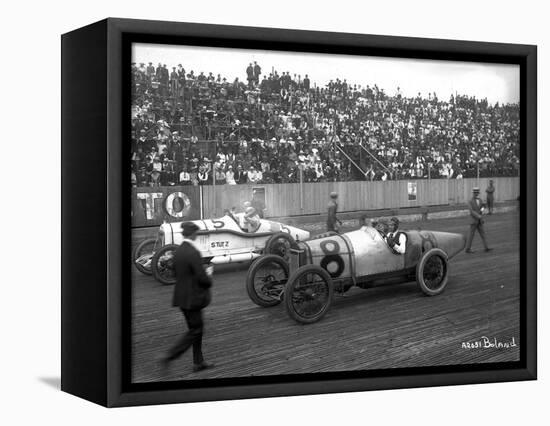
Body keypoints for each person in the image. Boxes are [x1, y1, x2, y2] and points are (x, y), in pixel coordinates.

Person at [162, 222, 214, 372]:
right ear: (192, 234)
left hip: (181, 298)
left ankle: (198, 363)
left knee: (196, 329)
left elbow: (174, 274)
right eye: (196, 233)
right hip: (193, 299)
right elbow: (203, 279)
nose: (197, 235)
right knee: (195, 331)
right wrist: (209, 275)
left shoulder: (178, 251)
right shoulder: (193, 252)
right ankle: (169, 356)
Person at [465, 187, 492, 253]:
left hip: (479, 221)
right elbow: (471, 211)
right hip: (473, 221)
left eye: (477, 192)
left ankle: (486, 247)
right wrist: (478, 216)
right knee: (471, 236)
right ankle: (468, 249)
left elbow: (481, 209)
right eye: (475, 192)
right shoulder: (470, 201)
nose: (476, 193)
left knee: (483, 234)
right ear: (473, 193)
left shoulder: (480, 200)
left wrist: (483, 208)